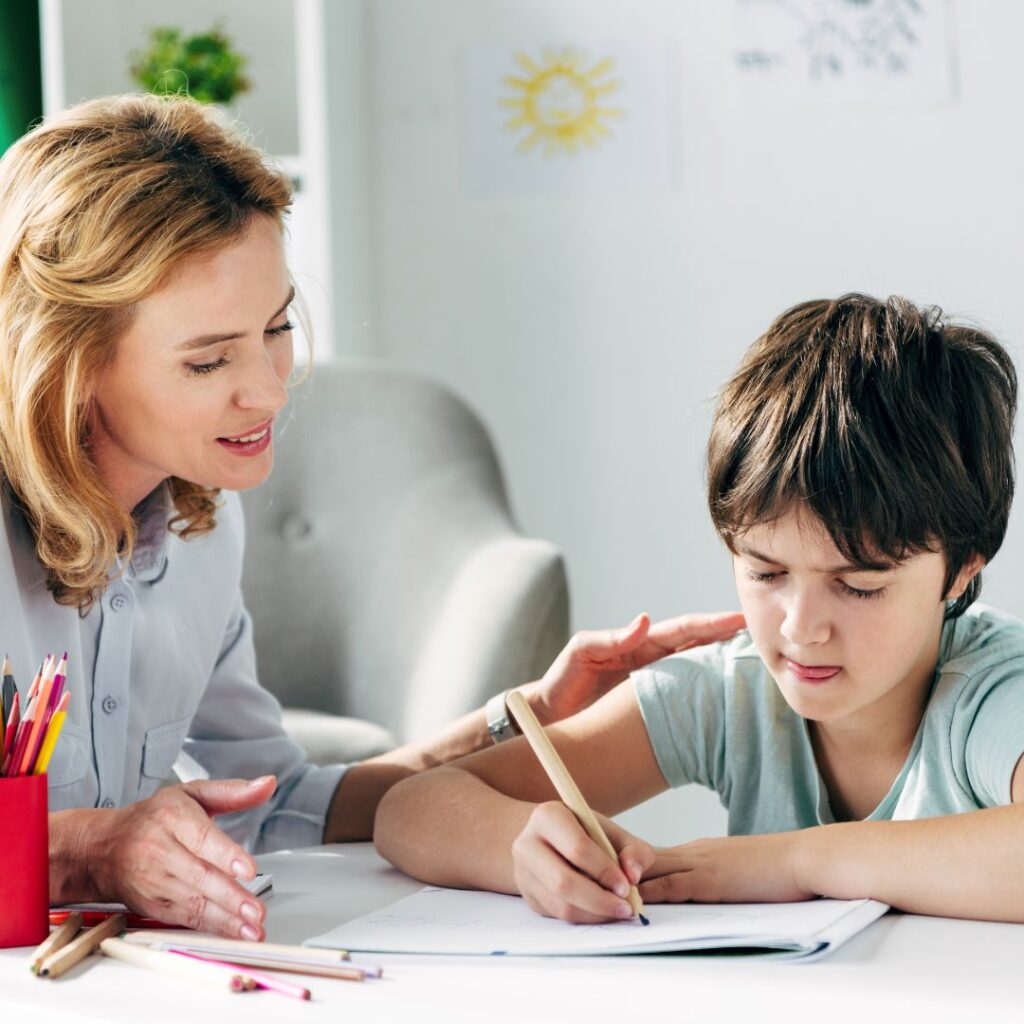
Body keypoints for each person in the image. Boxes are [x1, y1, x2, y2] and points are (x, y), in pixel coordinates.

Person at [0, 93, 743, 942]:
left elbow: (273, 805)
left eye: (276, 328)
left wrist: (525, 717)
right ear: (65, 359)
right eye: (207, 360)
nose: (272, 390)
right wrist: (92, 849)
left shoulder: (202, 533)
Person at [374, 293, 1024, 925]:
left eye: (857, 586)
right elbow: (409, 809)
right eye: (765, 572)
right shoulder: (731, 691)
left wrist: (796, 862)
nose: (801, 628)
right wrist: (522, 845)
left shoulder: (993, 692)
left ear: (962, 569)